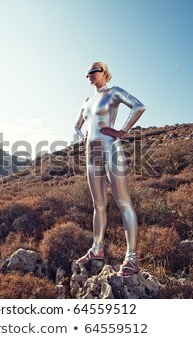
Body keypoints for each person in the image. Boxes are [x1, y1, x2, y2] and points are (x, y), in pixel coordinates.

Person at [74, 61, 146, 277]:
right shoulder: (86, 102)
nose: (89, 75)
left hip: (112, 150)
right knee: (98, 205)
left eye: (93, 71)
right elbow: (76, 126)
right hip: (91, 154)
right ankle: (97, 249)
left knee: (123, 202)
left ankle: (131, 257)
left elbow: (138, 106)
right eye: (87, 72)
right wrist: (82, 137)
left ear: (104, 73)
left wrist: (122, 131)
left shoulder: (114, 92)